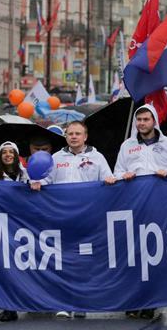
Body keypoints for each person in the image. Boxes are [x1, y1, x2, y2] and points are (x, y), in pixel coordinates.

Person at [31, 121, 114, 318]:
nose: (74, 137)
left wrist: (111, 180)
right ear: (66, 136)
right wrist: (36, 183)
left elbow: (109, 177)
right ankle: (63, 303)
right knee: (63, 261)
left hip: (87, 220)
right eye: (70, 134)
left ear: (85, 136)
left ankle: (81, 303)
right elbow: (46, 179)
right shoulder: (56, 157)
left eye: (78, 134)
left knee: (83, 263)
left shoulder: (97, 157)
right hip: (63, 218)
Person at [114, 104, 167, 319]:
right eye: (139, 120)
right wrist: (123, 175)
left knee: (154, 255)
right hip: (135, 208)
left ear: (154, 121)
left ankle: (152, 301)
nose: (142, 123)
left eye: (146, 119)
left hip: (160, 208)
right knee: (134, 255)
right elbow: (116, 172)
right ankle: (134, 300)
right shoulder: (127, 146)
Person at [0, 141, 28, 322]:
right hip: (2, 226)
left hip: (23, 226)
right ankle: (8, 306)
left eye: (11, 152)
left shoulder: (25, 174)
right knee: (5, 267)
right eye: (4, 152)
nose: (8, 155)